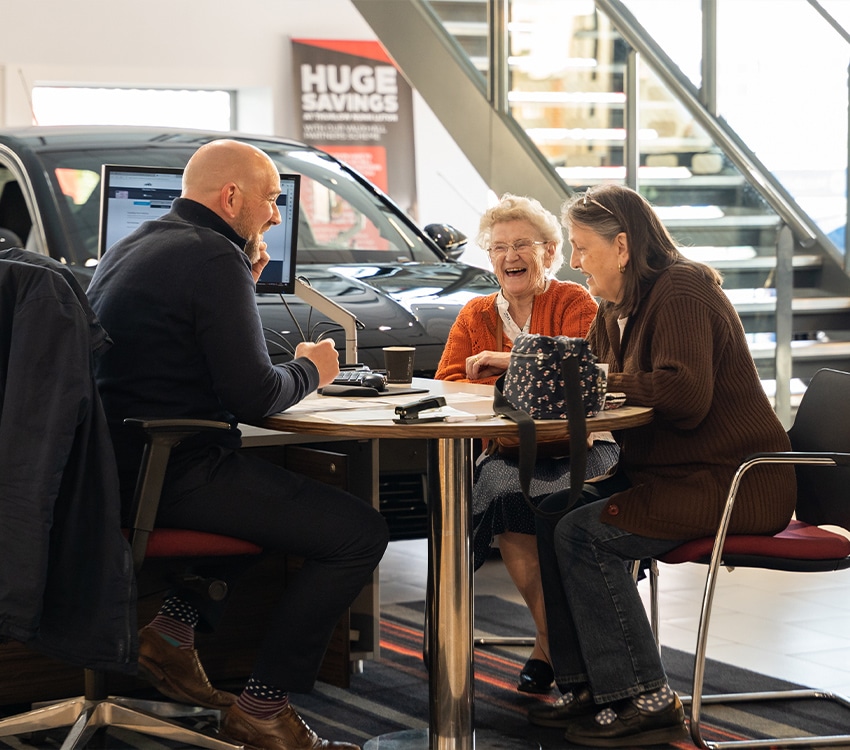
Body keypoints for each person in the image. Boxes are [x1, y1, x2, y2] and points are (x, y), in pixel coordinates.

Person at [87, 139, 389, 750]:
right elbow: (254, 396)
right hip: (170, 473)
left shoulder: (139, 243)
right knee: (358, 533)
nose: (278, 216)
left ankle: (172, 635)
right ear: (232, 197)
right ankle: (262, 709)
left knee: (277, 501)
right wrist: (315, 370)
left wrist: (242, 291)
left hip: (114, 470)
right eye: (273, 200)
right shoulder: (210, 257)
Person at [527, 184, 796, 746]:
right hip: (677, 473)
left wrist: (594, 383)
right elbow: (597, 381)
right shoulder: (615, 307)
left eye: (581, 248)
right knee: (553, 511)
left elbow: (685, 394)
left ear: (622, 246)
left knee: (583, 534)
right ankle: (584, 686)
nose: (575, 263)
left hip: (733, 481)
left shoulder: (682, 289)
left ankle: (647, 697)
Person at [434, 193, 619, 694]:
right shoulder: (475, 313)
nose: (510, 256)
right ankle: (557, 644)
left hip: (581, 448)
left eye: (522, 245)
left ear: (550, 252)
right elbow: (449, 381)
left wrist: (504, 361)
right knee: (508, 495)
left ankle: (550, 648)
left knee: (559, 507)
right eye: (498, 247)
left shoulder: (573, 302)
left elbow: (576, 374)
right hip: (511, 452)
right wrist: (510, 375)